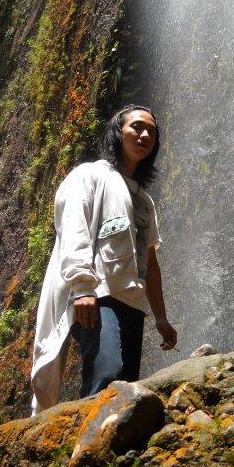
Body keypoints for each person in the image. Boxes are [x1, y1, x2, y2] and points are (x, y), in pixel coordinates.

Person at [31, 104, 177, 414]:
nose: (145, 134)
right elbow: (74, 227)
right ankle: (85, 454)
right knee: (106, 372)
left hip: (133, 303)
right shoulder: (91, 175)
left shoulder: (145, 202)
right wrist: (83, 287)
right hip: (99, 295)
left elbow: (150, 262)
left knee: (125, 384)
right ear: (117, 132)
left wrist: (161, 317)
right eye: (136, 127)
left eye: (151, 130)